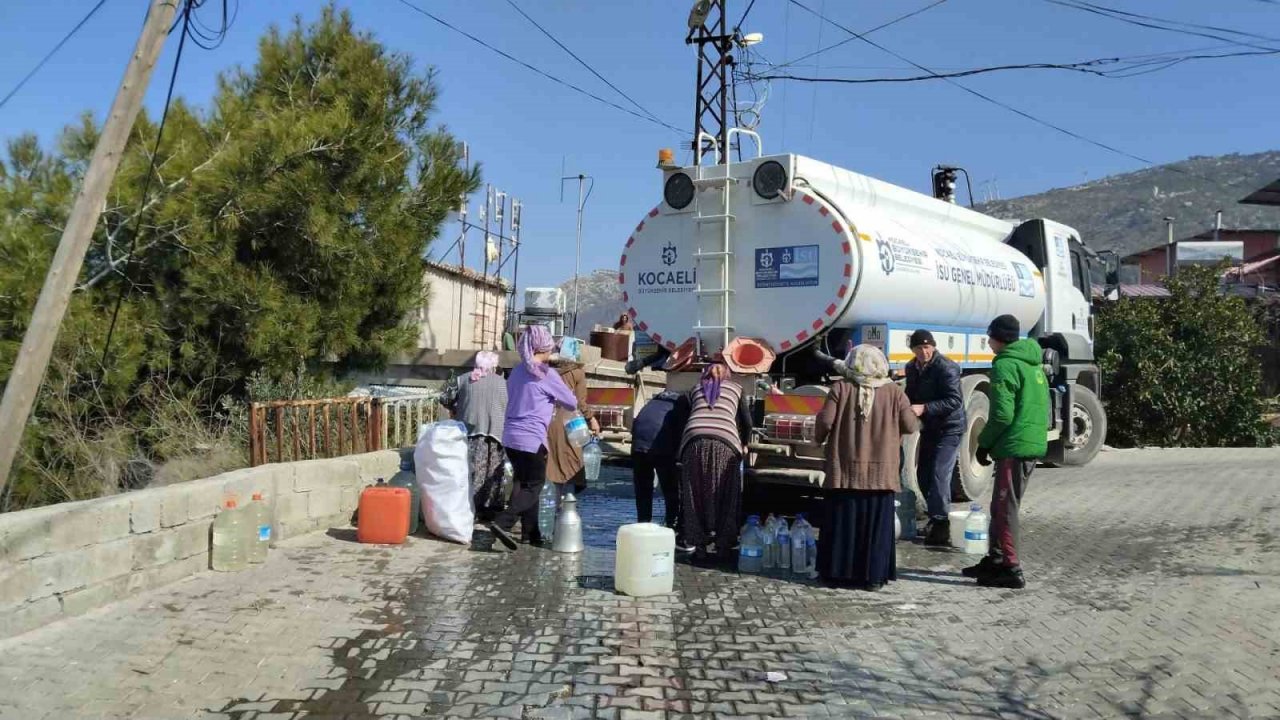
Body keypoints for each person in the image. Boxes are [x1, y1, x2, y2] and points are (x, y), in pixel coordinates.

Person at [814, 344, 919, 590]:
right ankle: (873, 578)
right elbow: (910, 425)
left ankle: (837, 575)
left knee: (842, 524)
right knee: (876, 528)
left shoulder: (840, 388)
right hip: (881, 474)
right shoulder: (894, 392)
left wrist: (818, 439)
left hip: (845, 472)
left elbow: (826, 421)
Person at [967, 314, 1049, 590]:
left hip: (1014, 446)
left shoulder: (1006, 365)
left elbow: (1002, 415)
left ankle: (1011, 568)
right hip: (1029, 442)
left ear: (998, 338)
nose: (988, 341)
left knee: (1005, 509)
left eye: (990, 336)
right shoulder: (1032, 364)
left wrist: (984, 444)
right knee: (1001, 505)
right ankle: (996, 559)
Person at [488, 325, 579, 551]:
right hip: (532, 438)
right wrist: (555, 397)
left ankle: (530, 534)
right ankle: (503, 522)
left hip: (510, 437)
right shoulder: (546, 374)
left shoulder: (517, 371)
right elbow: (572, 402)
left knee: (525, 483)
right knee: (535, 486)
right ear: (543, 348)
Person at [679, 362, 752, 561]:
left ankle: (699, 545)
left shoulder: (695, 388)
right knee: (727, 493)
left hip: (694, 441)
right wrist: (745, 443)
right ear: (728, 375)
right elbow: (747, 422)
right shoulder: (737, 389)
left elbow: (689, 415)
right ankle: (723, 545)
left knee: (694, 494)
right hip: (725, 443)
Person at [904, 329, 966, 547]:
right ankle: (934, 517)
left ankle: (941, 524)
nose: (924, 352)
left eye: (927, 347)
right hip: (930, 428)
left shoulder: (946, 367)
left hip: (950, 428)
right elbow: (911, 394)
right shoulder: (911, 367)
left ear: (933, 346)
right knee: (924, 475)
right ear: (912, 350)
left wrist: (925, 408)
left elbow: (954, 400)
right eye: (919, 348)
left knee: (940, 474)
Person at [451, 351, 509, 521]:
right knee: (494, 471)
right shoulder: (504, 383)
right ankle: (490, 509)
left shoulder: (463, 379)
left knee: (472, 470)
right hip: (496, 432)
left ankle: (471, 507)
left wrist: (458, 407)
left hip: (470, 431)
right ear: (494, 366)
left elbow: (445, 397)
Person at [545, 346, 600, 502]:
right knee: (571, 463)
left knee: (550, 462)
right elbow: (580, 402)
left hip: (547, 419)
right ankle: (567, 504)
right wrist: (591, 419)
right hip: (570, 422)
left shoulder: (547, 370)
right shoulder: (577, 373)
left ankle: (551, 502)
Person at [631, 390, 689, 529]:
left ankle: (643, 523)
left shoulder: (654, 402)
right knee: (670, 488)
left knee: (643, 488)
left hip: (638, 444)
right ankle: (672, 524)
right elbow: (682, 434)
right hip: (660, 445)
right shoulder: (681, 406)